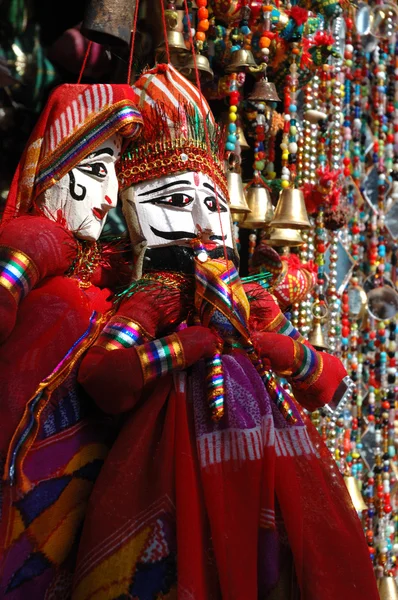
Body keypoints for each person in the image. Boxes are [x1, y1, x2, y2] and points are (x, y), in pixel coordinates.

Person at [72, 64, 379, 600]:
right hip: (173, 474)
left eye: (214, 203)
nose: (202, 219)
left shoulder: (252, 300)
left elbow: (330, 382)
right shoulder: (157, 297)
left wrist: (277, 348)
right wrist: (183, 347)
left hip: (272, 475)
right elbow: (105, 375)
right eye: (172, 201)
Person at [0, 83, 142, 599]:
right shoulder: (31, 247)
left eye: (116, 176)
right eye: (98, 169)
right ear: (54, 169)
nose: (109, 197)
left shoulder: (100, 283)